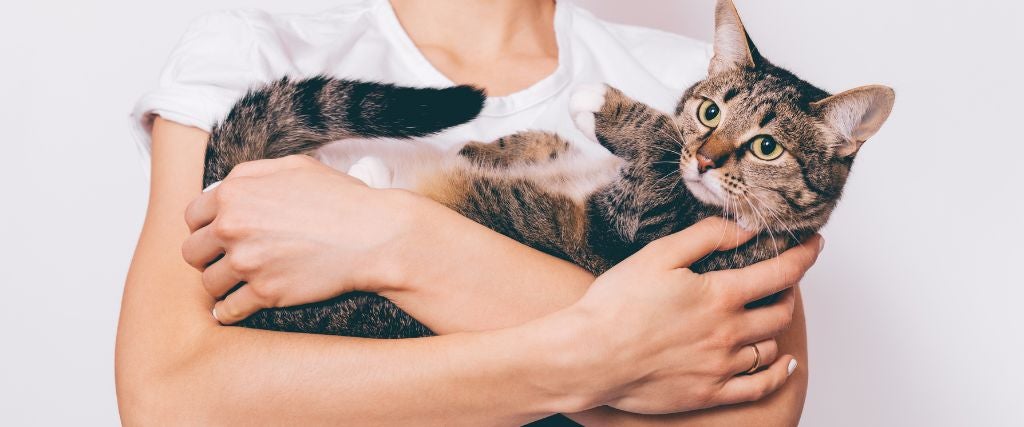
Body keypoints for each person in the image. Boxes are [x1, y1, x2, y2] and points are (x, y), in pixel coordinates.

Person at [116, 0, 821, 424]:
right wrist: (594, 356)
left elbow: (755, 411)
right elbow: (171, 397)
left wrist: (394, 237)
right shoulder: (256, 48)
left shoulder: (707, 92)